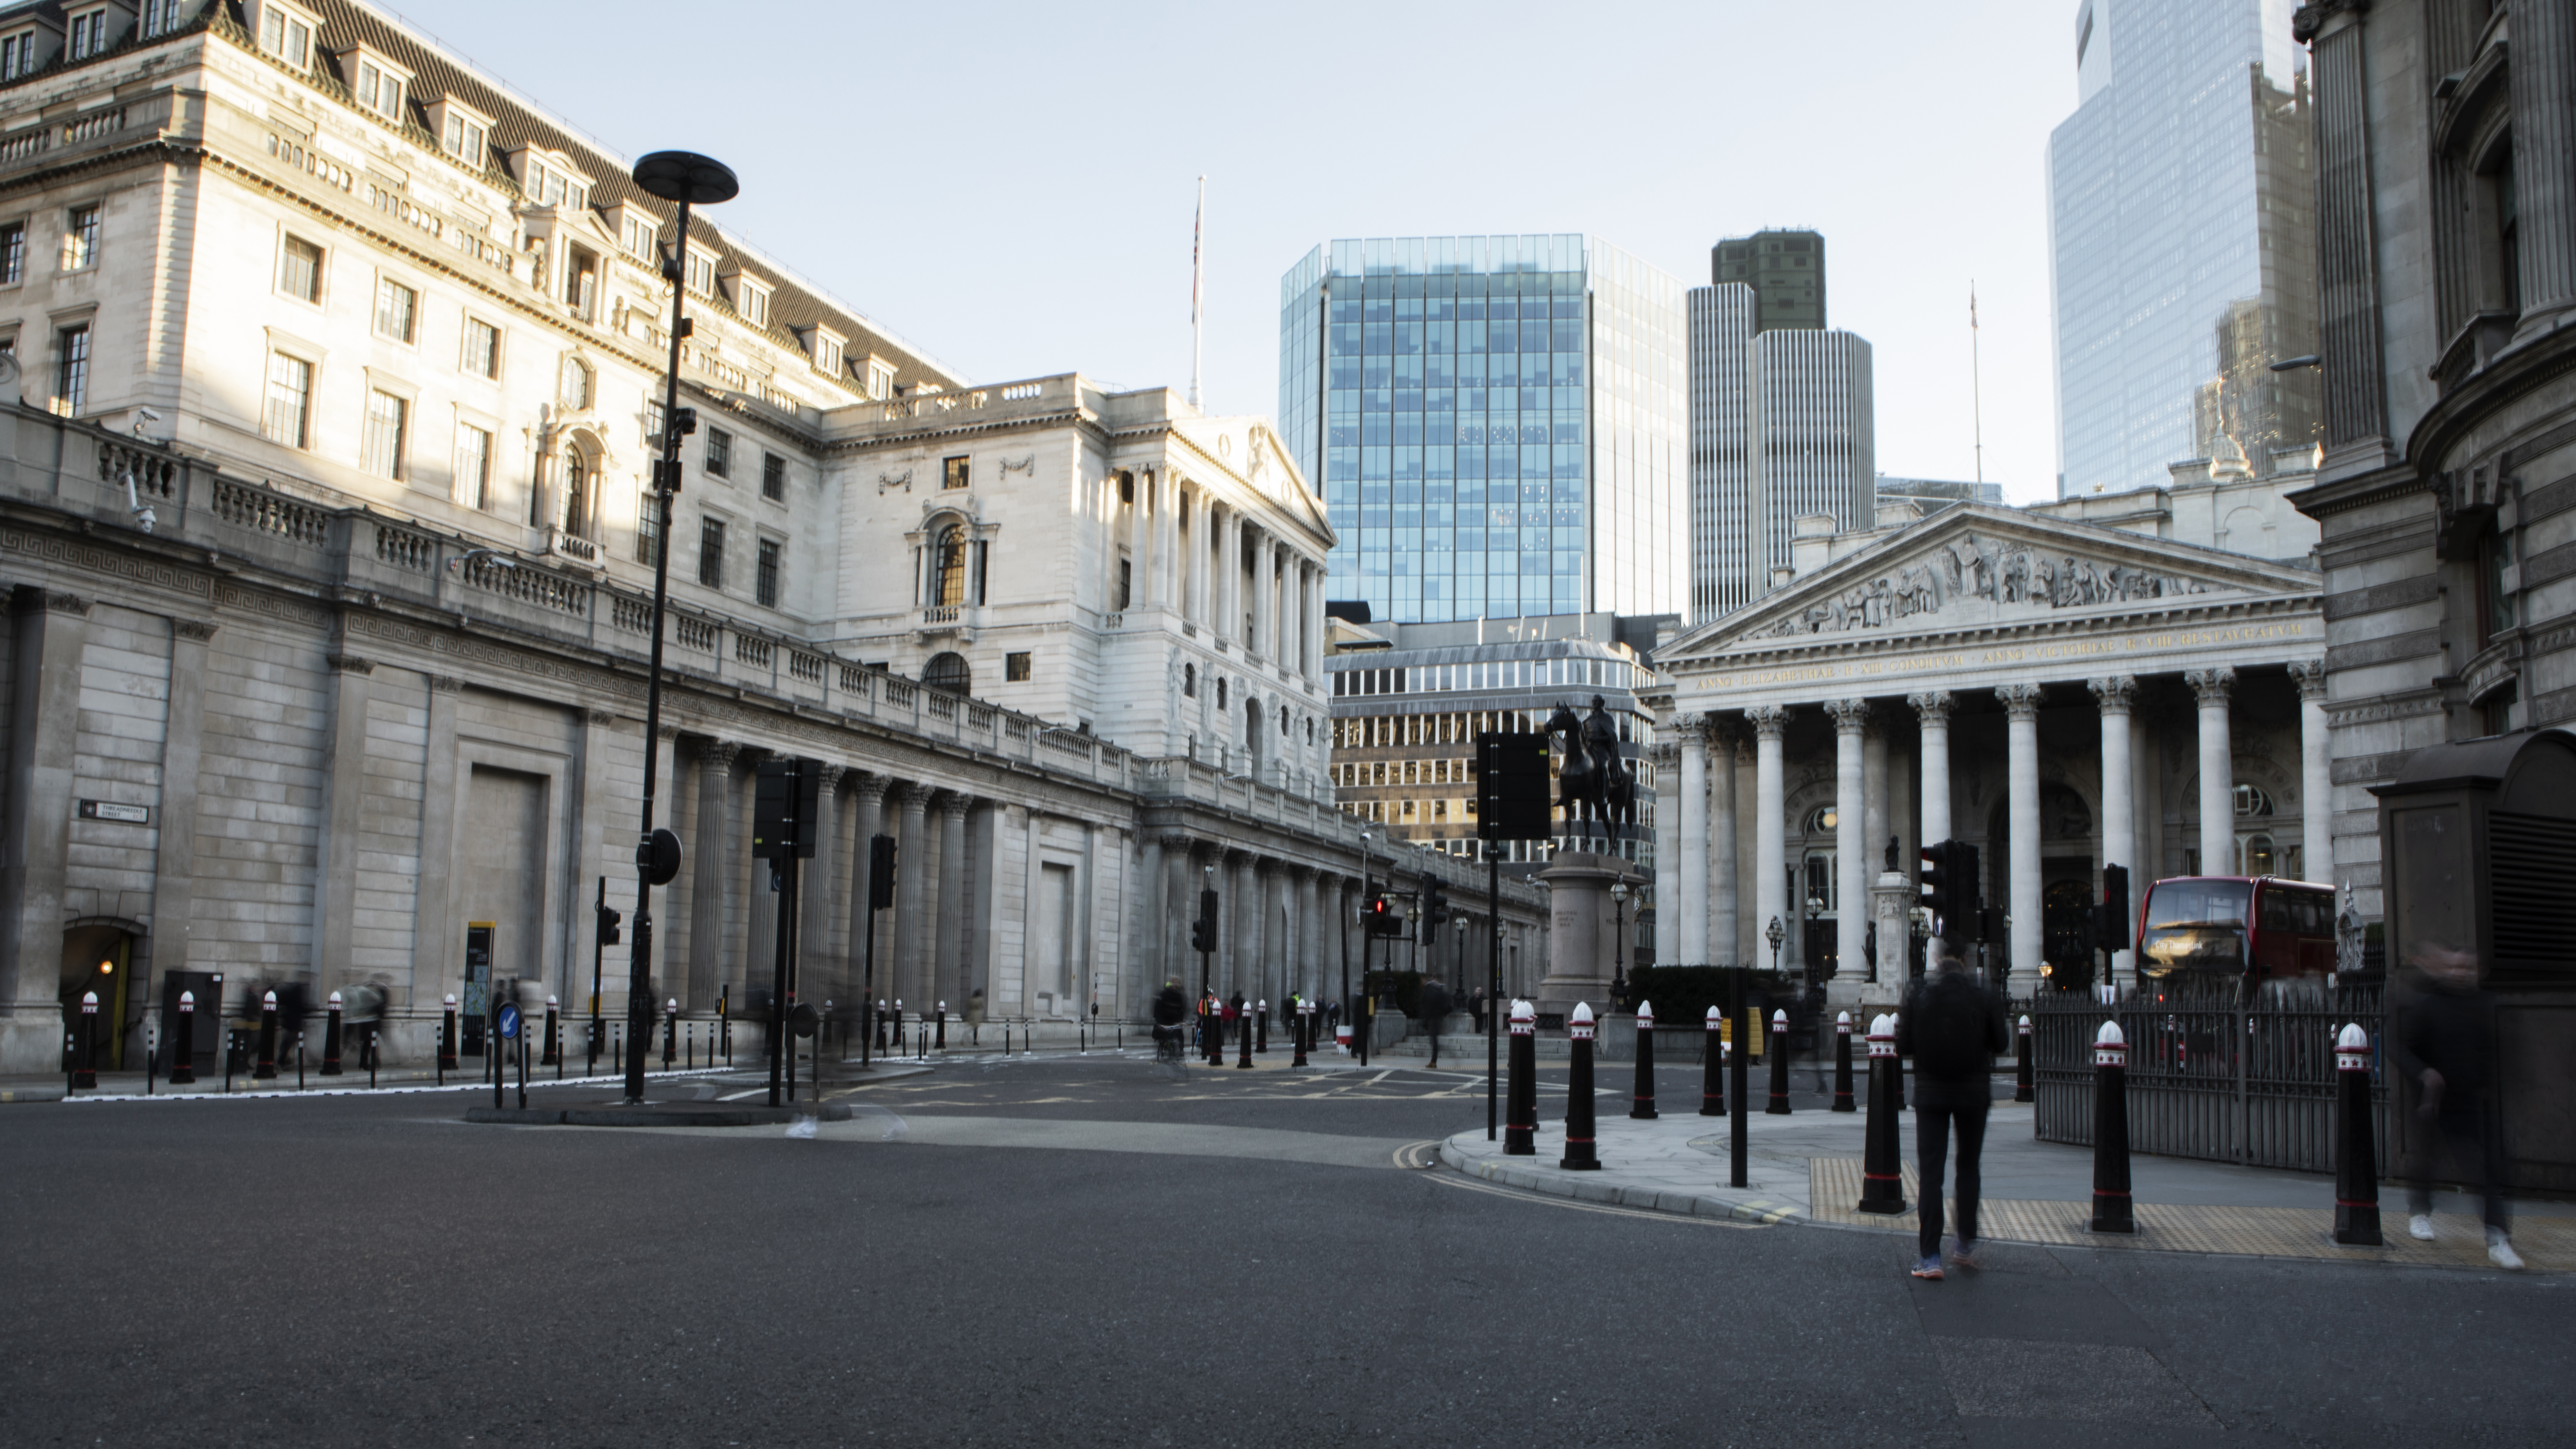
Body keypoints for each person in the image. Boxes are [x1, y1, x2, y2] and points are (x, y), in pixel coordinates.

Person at [2392, 942, 2521, 1270]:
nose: (2459, 973)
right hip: (2433, 1100)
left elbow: (2493, 1050)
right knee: (2426, 1160)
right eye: (2454, 967)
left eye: (2465, 968)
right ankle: (2420, 1211)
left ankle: (2496, 1237)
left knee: (2486, 1169)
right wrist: (2424, 1074)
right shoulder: (2428, 1005)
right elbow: (2402, 1048)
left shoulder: (2482, 1003)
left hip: (2471, 1099)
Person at [1896, 937, 2008, 1280]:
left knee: (1931, 1175)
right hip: (1973, 1094)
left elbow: (1902, 1045)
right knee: (1968, 1167)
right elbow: (2002, 1043)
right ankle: (1963, 1244)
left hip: (1930, 1094)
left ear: (1937, 959)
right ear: (1964, 957)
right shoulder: (1983, 992)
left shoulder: (1919, 992)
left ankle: (1930, 1256)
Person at [1419, 979, 1454, 1068]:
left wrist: (1426, 1021)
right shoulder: (1437, 991)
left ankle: (1434, 1061)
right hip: (1437, 1018)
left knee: (1434, 1040)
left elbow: (1428, 1008)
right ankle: (1433, 1061)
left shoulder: (1429, 992)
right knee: (1434, 1040)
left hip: (1432, 1019)